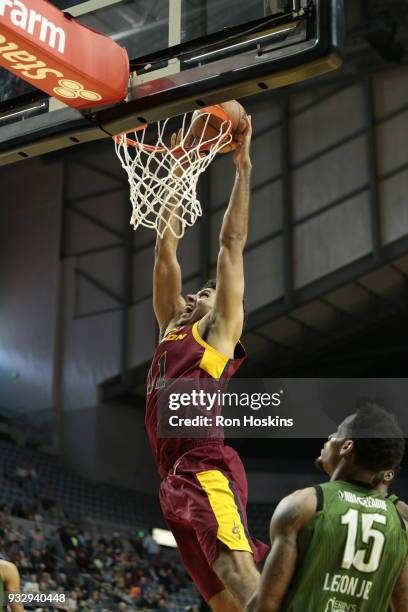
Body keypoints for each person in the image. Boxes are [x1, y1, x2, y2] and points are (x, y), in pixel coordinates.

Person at [146, 115, 268, 611]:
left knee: (241, 577)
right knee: (227, 603)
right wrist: (177, 173)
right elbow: (164, 250)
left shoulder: (216, 335)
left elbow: (231, 245)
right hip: (171, 480)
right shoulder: (169, 326)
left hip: (204, 466)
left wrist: (242, 167)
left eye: (212, 290)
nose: (202, 288)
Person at [246, 403, 408, 612]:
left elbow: (265, 606)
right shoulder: (401, 525)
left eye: (338, 432)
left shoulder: (304, 505)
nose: (330, 437)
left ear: (347, 447)